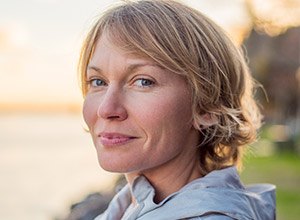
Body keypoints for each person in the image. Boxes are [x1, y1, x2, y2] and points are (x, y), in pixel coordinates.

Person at [78, 0, 276, 219]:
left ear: (206, 107)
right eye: (98, 82)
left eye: (143, 82)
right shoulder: (126, 207)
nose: (106, 109)